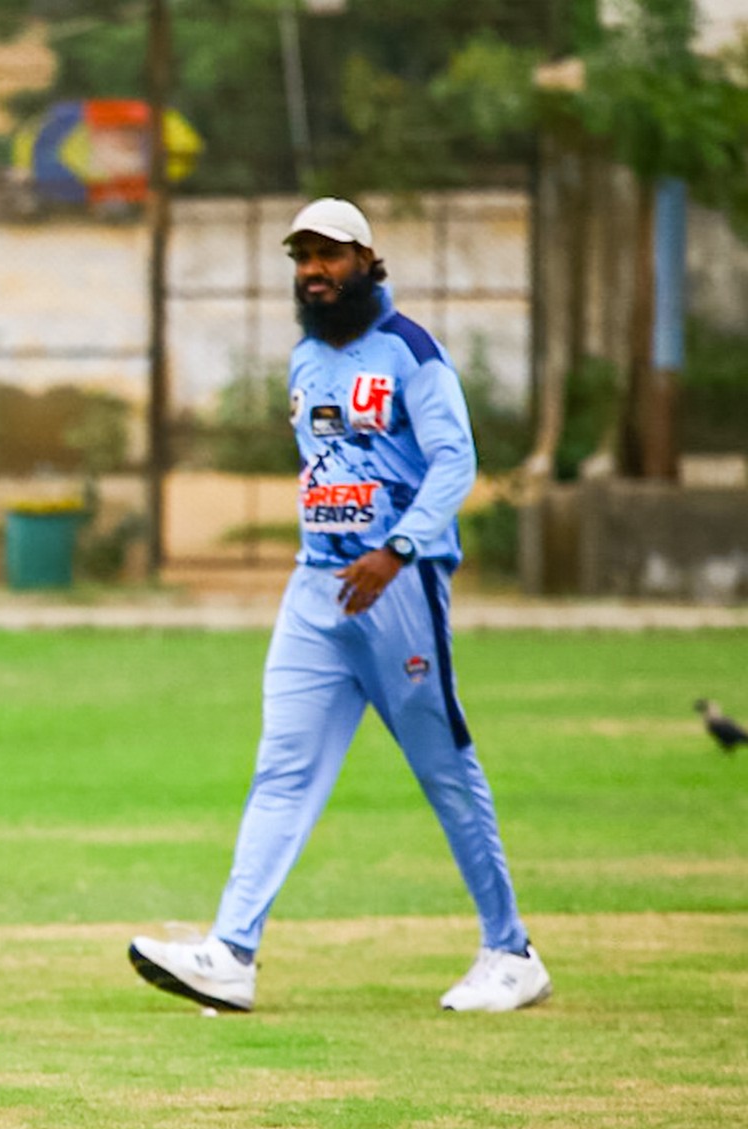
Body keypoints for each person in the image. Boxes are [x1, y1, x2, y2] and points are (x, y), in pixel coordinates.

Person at [128, 198, 551, 1015]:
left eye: (328, 255)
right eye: (302, 258)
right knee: (282, 768)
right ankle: (232, 953)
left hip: (398, 590)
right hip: (316, 591)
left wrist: (397, 550)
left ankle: (511, 951)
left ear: (366, 260)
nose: (313, 272)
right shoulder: (304, 360)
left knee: (444, 768)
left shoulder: (411, 352)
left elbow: (455, 462)